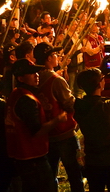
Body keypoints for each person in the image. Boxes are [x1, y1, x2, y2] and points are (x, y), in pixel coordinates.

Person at [5, 59, 68, 192]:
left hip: (21, 154)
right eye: (31, 73)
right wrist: (58, 119)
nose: (36, 75)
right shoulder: (27, 99)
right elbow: (36, 130)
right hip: (32, 157)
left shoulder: (16, 93)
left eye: (36, 71)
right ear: (20, 78)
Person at [34, 42, 84, 192]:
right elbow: (69, 103)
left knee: (50, 174)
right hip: (64, 133)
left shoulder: (34, 78)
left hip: (46, 134)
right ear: (49, 58)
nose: (57, 56)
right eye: (54, 54)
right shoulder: (55, 80)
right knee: (75, 173)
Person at [74, 65, 110, 192]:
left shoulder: (79, 105)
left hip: (92, 160)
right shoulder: (108, 106)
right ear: (99, 84)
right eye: (102, 78)